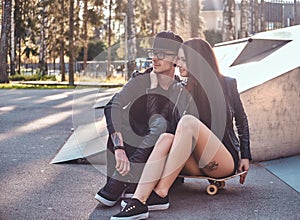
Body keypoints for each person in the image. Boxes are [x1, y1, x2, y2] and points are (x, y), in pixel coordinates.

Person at [111, 38, 252, 219]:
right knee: (166, 137)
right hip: (192, 162)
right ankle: (138, 201)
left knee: (188, 122)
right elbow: (168, 126)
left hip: (221, 161)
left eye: (183, 59)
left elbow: (241, 120)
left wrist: (246, 154)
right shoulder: (180, 88)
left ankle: (161, 192)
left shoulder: (228, 84)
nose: (177, 64)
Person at [95, 31, 191, 207]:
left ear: (176, 59)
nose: (154, 58)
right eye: (153, 52)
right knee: (121, 114)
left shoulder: (180, 90)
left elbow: (174, 128)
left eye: (161, 54)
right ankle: (126, 180)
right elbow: (112, 105)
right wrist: (119, 148)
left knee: (162, 124)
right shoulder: (141, 80)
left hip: (156, 162)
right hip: (126, 156)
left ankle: (127, 182)